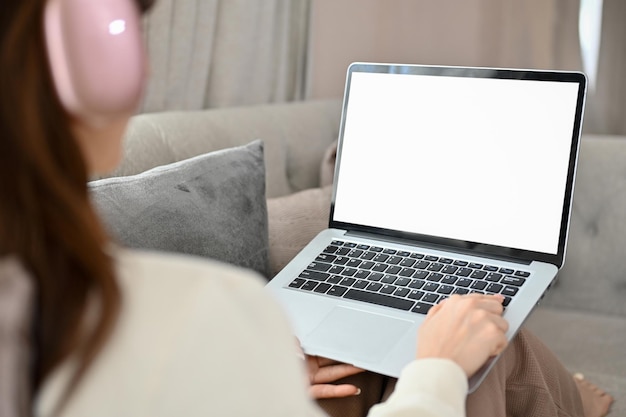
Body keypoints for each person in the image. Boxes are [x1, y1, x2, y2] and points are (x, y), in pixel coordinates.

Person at [0, 0, 613, 416]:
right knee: (486, 345)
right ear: (86, 63)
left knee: (458, 342)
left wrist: (261, 382)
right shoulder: (187, 310)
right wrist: (439, 371)